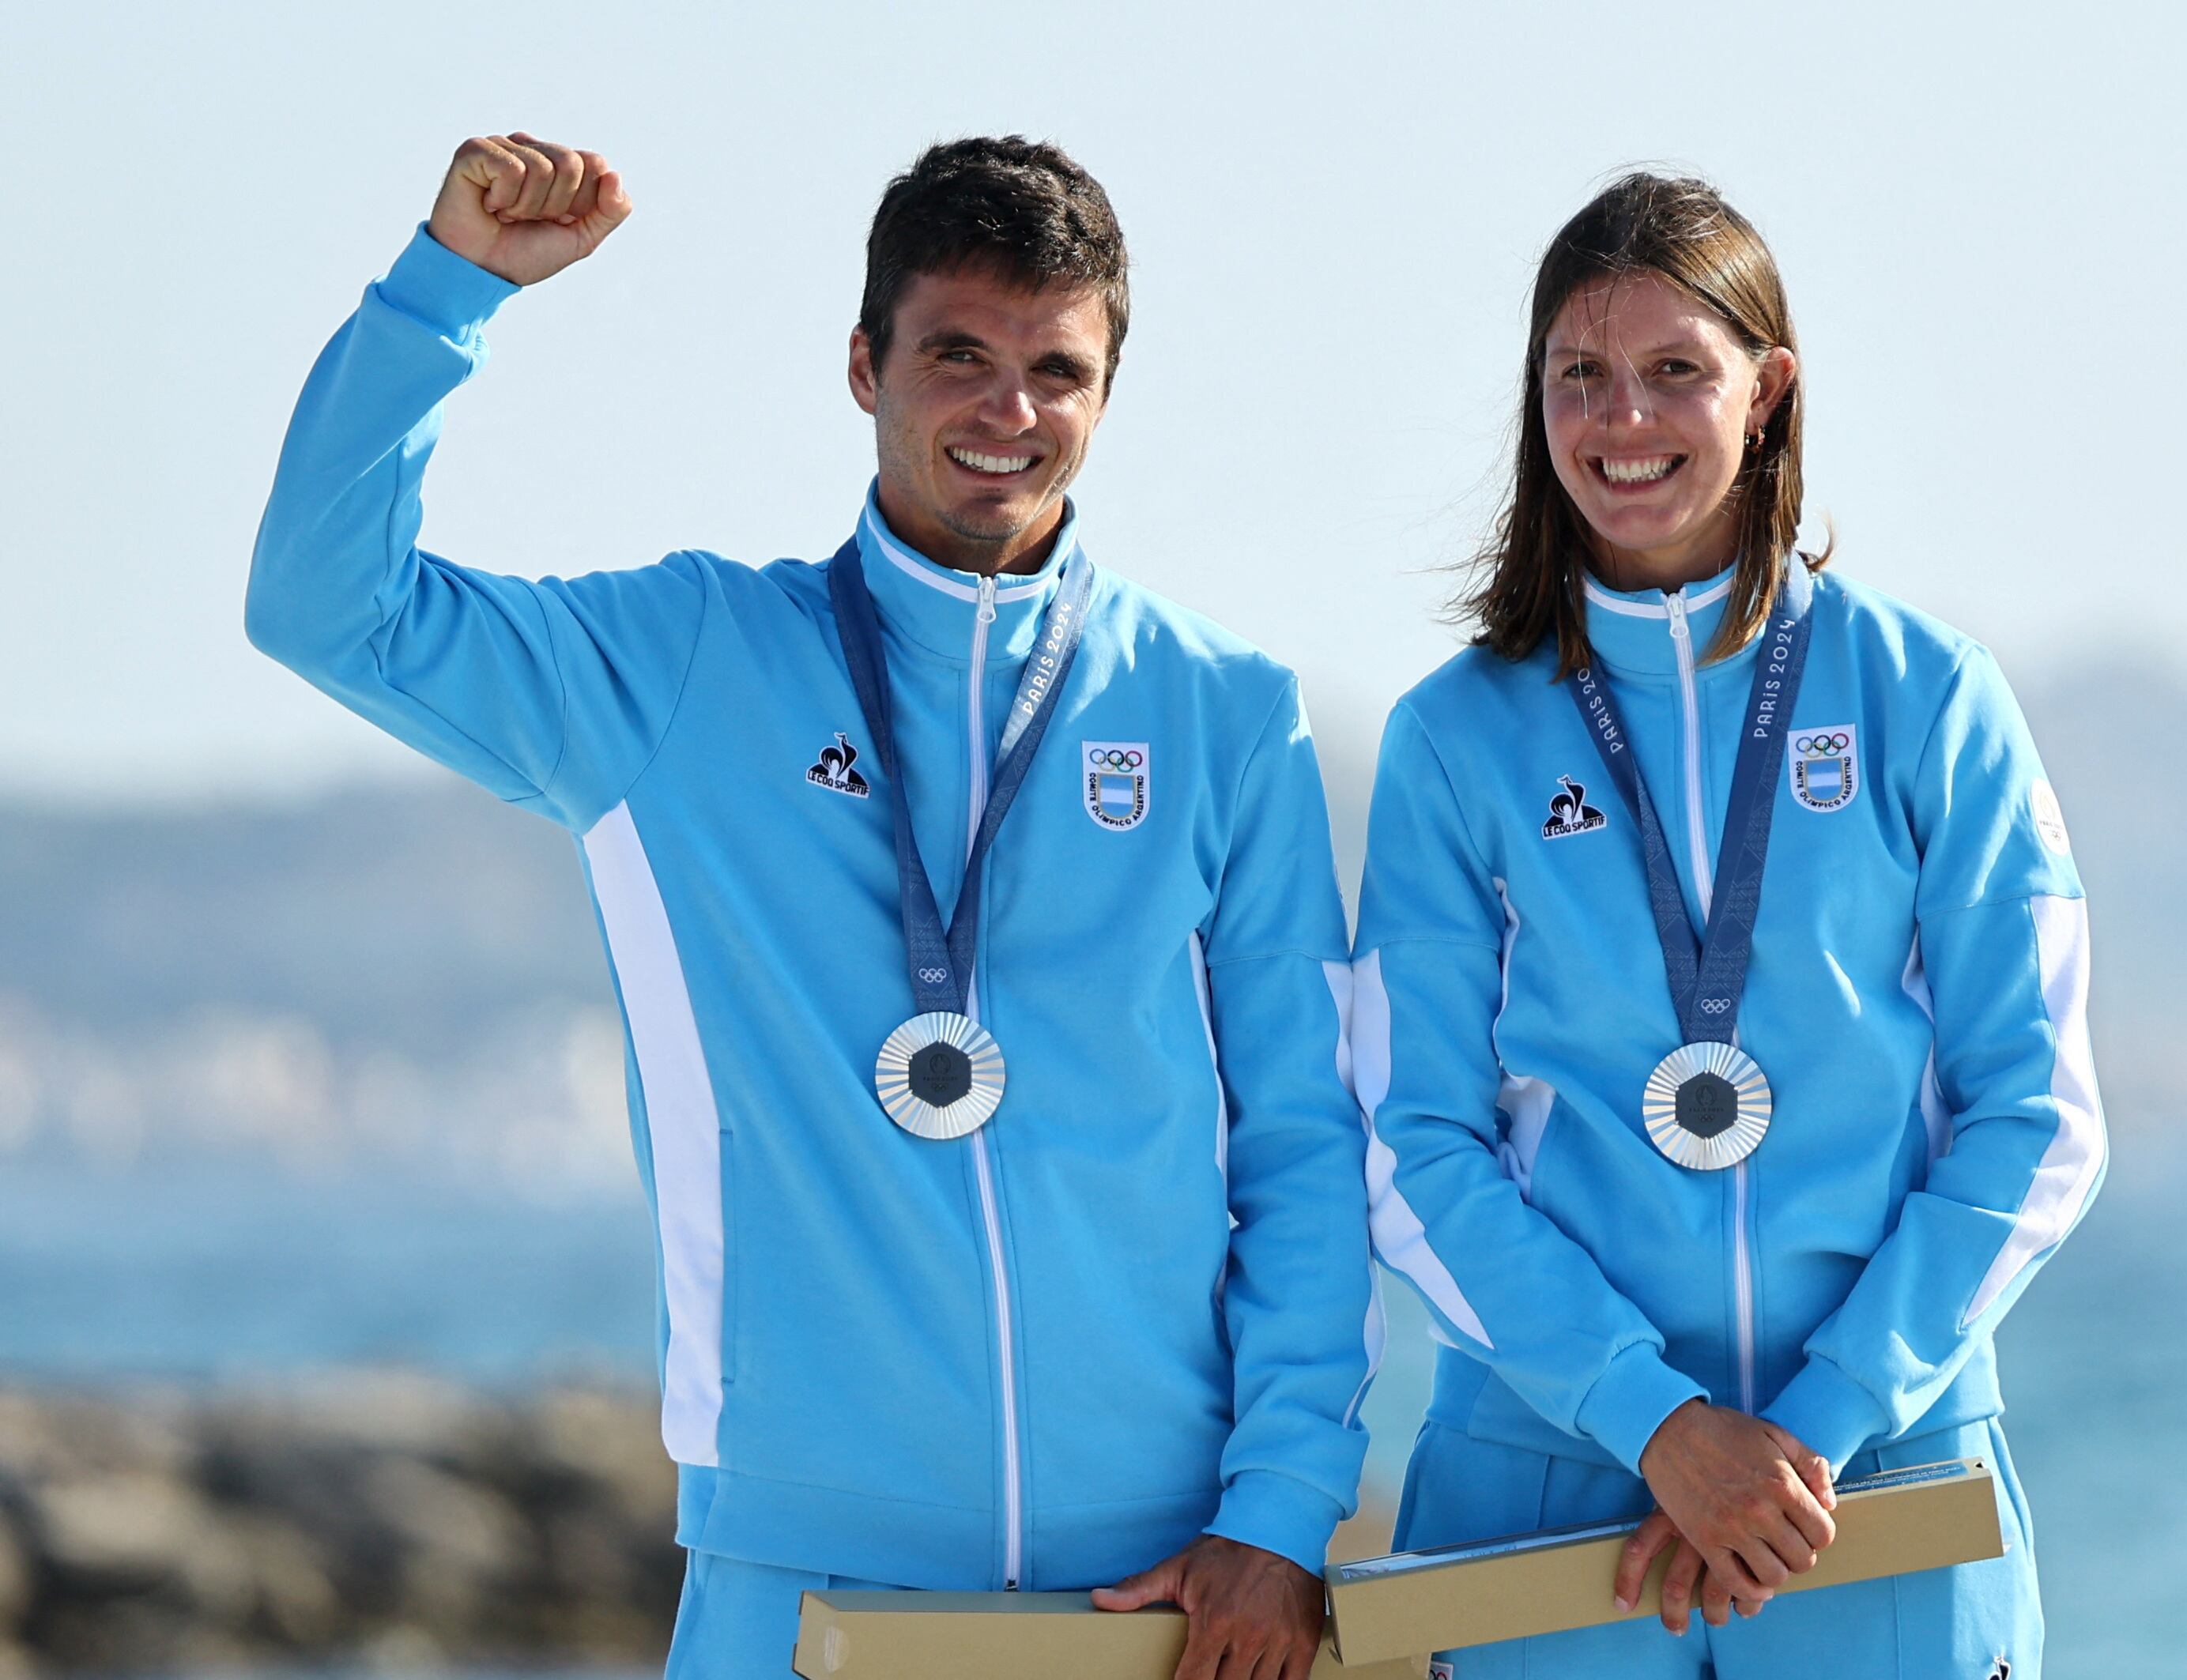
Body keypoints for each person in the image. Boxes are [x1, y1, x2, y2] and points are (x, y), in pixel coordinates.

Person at [247, 131, 1375, 1680]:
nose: (1010, 411)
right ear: (864, 363)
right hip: (803, 1594)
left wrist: (1282, 1515)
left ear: (1109, 393)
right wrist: (450, 293)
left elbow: (1307, 1151)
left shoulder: (1222, 710)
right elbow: (324, 605)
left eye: (1058, 369)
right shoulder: (687, 665)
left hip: (1155, 1597)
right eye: (958, 355)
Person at [1351, 172, 2104, 1676]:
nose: (1622, 420)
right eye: (1580, 375)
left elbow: (2038, 1115)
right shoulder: (1451, 738)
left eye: (1673, 370)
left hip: (1879, 1486)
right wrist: (1657, 1422)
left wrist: (1801, 1439)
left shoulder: (1924, 693)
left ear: (1766, 390)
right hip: (1545, 1486)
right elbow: (1408, 1143)